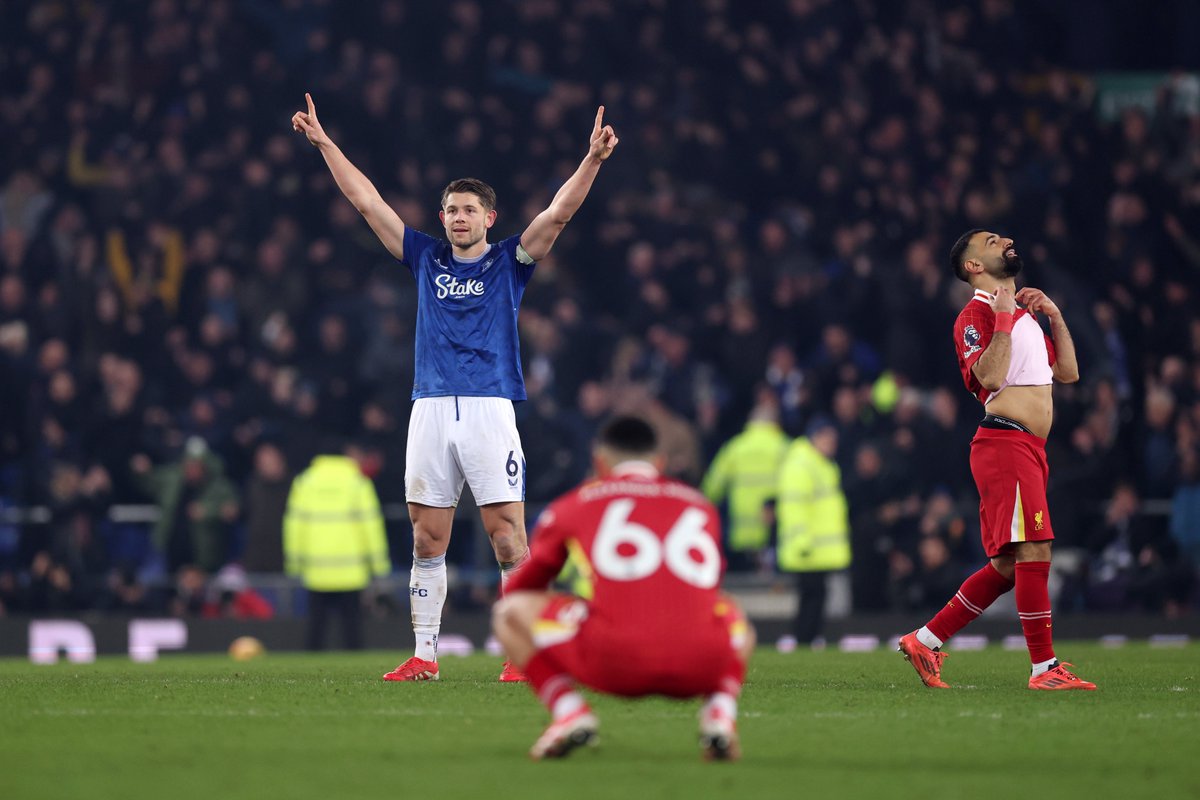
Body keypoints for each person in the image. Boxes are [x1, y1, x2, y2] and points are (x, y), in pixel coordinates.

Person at [291, 93, 618, 680]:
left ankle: (521, 654)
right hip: (430, 408)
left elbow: (557, 216)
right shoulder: (425, 258)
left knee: (507, 538)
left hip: (491, 408)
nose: (459, 217)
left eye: (469, 209)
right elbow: (368, 203)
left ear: (489, 217)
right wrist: (324, 144)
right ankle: (424, 656)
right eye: (451, 210)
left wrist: (591, 160)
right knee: (426, 535)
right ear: (441, 218)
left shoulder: (511, 262)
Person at [898, 229, 1096, 690]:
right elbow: (988, 374)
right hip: (1004, 443)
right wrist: (1004, 316)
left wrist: (1055, 316)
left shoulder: (1024, 316)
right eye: (990, 240)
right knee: (1035, 548)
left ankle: (926, 640)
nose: (1004, 239)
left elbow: (1068, 372)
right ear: (973, 266)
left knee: (1010, 565)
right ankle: (1045, 669)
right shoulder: (974, 315)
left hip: (1028, 447)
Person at [492, 416, 755, 761]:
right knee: (732, 611)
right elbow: (707, 588)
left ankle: (570, 711)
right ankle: (719, 714)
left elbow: (522, 591)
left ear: (599, 462)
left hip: (614, 662)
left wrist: (578, 605)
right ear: (659, 463)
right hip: (700, 665)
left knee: (508, 612)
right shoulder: (700, 505)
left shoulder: (574, 504)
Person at [284, 442, 391, 651]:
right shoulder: (358, 482)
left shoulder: (305, 482)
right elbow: (371, 525)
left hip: (316, 570)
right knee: (352, 630)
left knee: (316, 629)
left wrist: (294, 564)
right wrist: (379, 566)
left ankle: (309, 677)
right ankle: (358, 676)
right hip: (351, 570)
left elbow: (294, 525)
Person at [775, 416, 851, 645]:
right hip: (808, 548)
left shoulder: (820, 463)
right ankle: (804, 638)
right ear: (815, 437)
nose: (833, 442)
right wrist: (801, 541)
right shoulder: (802, 464)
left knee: (816, 595)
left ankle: (808, 638)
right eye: (828, 437)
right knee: (811, 596)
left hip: (818, 549)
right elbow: (793, 506)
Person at [700, 386, 789, 571]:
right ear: (775, 423)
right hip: (777, 531)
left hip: (742, 534)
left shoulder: (735, 448)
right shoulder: (786, 448)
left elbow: (711, 489)